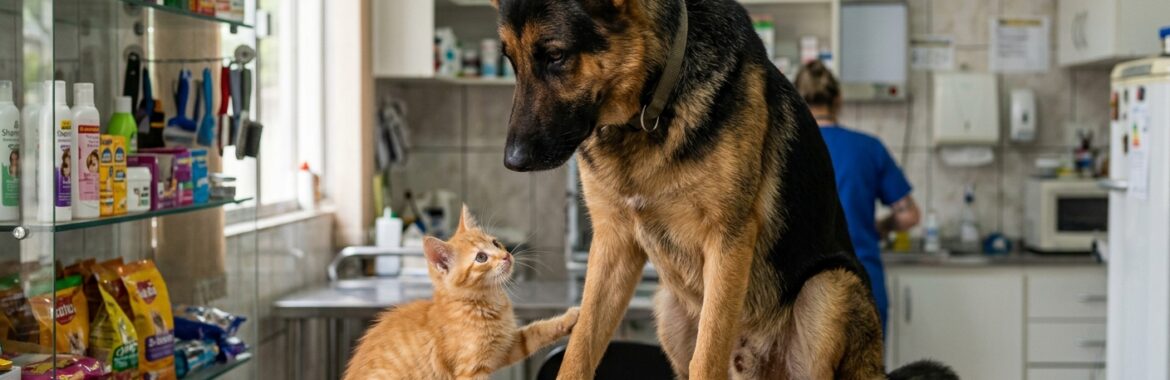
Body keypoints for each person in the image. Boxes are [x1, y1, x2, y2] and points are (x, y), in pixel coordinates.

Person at [794, 61, 921, 333]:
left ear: (796, 100)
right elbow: (909, 215)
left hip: (803, 292)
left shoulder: (788, 149)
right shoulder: (869, 148)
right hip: (863, 282)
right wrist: (882, 227)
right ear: (838, 101)